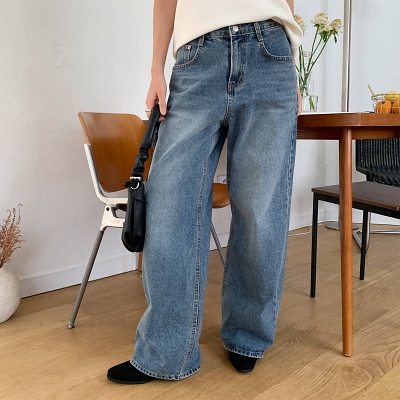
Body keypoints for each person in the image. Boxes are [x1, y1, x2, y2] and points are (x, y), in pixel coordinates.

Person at [107, 0, 303, 384]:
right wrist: (156, 69)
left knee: (260, 211)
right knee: (169, 206)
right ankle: (166, 351)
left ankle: (247, 336)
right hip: (198, 59)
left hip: (271, 56)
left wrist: (292, 68)